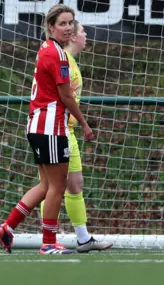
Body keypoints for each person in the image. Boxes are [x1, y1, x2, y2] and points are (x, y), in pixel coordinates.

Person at [0, 4, 96, 255]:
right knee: (57, 188)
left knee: (44, 186)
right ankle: (49, 242)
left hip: (39, 125)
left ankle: (7, 227)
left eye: (71, 22)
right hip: (51, 127)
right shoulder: (59, 56)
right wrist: (84, 123)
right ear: (50, 27)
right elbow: (66, 97)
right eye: (62, 23)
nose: (68, 27)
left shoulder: (46, 49)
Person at [39, 21, 112, 253]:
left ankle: (82, 238)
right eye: (82, 31)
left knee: (73, 185)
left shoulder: (69, 62)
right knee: (53, 187)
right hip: (56, 130)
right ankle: (46, 237)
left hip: (66, 130)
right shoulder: (63, 61)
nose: (85, 34)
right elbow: (61, 97)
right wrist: (84, 123)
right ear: (71, 37)